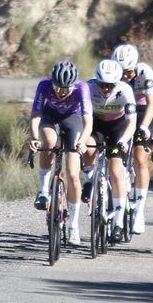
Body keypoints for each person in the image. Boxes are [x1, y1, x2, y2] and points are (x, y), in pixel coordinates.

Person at [29, 60, 92, 245]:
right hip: (51, 117)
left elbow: (88, 122)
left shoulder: (82, 88)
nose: (61, 93)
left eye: (66, 90)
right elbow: (36, 116)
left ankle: (74, 225)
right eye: (57, 88)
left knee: (73, 174)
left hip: (74, 119)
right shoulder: (44, 85)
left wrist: (81, 142)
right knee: (48, 141)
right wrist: (34, 137)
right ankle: (43, 190)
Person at [82, 58, 136, 240]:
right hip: (96, 125)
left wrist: (124, 140)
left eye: (110, 86)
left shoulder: (125, 90)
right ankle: (89, 181)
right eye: (102, 85)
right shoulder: (88, 88)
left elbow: (132, 122)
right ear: (96, 81)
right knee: (89, 149)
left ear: (117, 83)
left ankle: (119, 223)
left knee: (115, 171)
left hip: (117, 128)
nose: (105, 89)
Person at [112, 43, 153, 235]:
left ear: (135, 67)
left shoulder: (145, 72)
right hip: (124, 114)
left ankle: (139, 210)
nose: (125, 76)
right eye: (121, 72)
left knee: (140, 158)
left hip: (143, 112)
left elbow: (152, 104)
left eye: (128, 72)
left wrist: (144, 127)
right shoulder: (113, 74)